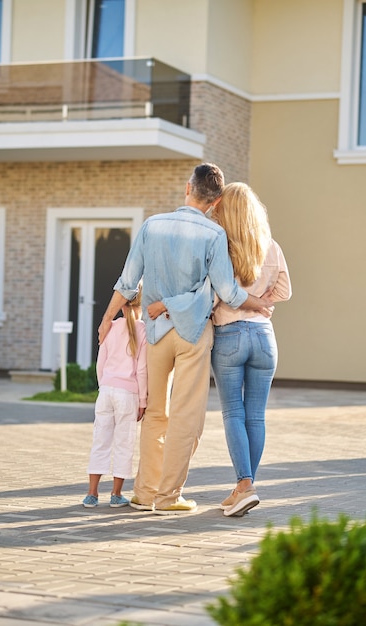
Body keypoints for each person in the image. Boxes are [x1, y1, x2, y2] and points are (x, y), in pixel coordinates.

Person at [98, 163, 273, 515]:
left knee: (155, 413)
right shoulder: (214, 235)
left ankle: (145, 492)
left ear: (186, 189)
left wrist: (107, 318)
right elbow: (228, 292)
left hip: (156, 333)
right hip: (193, 334)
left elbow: (128, 280)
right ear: (216, 201)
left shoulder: (152, 225)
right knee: (187, 417)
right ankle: (168, 497)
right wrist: (260, 303)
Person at [210, 182, 292, 517]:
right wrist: (263, 303)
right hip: (264, 337)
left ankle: (245, 486)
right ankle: (244, 489)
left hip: (229, 335)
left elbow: (218, 296)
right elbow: (285, 291)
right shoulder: (270, 246)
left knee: (234, 413)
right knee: (255, 415)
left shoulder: (221, 248)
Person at [82, 286, 147, 508]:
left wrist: (104, 386)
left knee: (100, 440)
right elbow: (141, 370)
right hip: (128, 394)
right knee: (123, 442)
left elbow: (101, 363)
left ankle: (92, 494)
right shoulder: (143, 330)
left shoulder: (110, 327)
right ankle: (116, 494)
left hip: (106, 391)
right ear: (141, 305)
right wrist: (143, 401)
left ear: (122, 305)